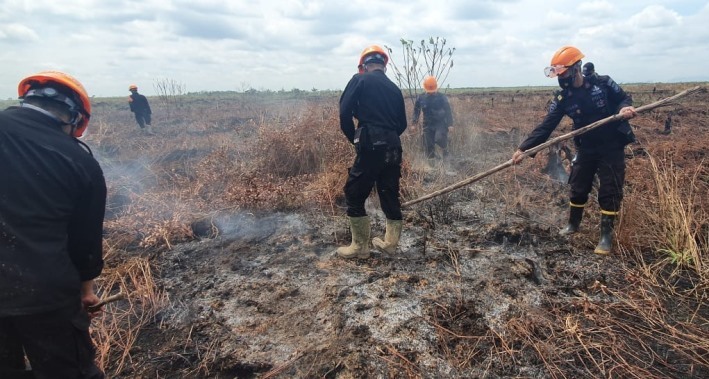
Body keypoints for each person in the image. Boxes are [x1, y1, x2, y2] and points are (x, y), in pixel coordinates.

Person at [0, 71, 107, 378]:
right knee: (69, 371)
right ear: (73, 119)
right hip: (45, 294)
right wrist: (86, 291)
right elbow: (85, 243)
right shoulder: (80, 161)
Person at [511, 46, 637, 255]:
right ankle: (573, 224)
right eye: (557, 74)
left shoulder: (603, 84)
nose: (561, 78)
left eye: (564, 72)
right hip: (586, 146)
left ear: (576, 68)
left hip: (611, 145)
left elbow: (624, 98)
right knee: (578, 185)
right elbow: (546, 126)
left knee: (610, 188)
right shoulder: (563, 98)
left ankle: (605, 236)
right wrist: (524, 148)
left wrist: (624, 108)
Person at [337, 45, 408, 259]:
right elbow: (402, 123)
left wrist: (356, 139)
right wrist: (389, 137)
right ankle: (390, 244)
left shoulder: (359, 80)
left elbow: (344, 114)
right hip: (393, 146)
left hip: (371, 144)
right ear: (383, 66)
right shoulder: (395, 88)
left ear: (364, 65)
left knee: (354, 192)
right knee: (389, 192)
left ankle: (360, 248)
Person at [412, 76, 454, 160]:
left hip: (440, 123)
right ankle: (432, 166)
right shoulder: (421, 98)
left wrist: (450, 124)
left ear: (436, 87)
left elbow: (448, 110)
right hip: (427, 124)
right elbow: (416, 111)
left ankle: (445, 151)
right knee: (428, 146)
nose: (431, 93)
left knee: (439, 138)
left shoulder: (442, 97)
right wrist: (414, 123)